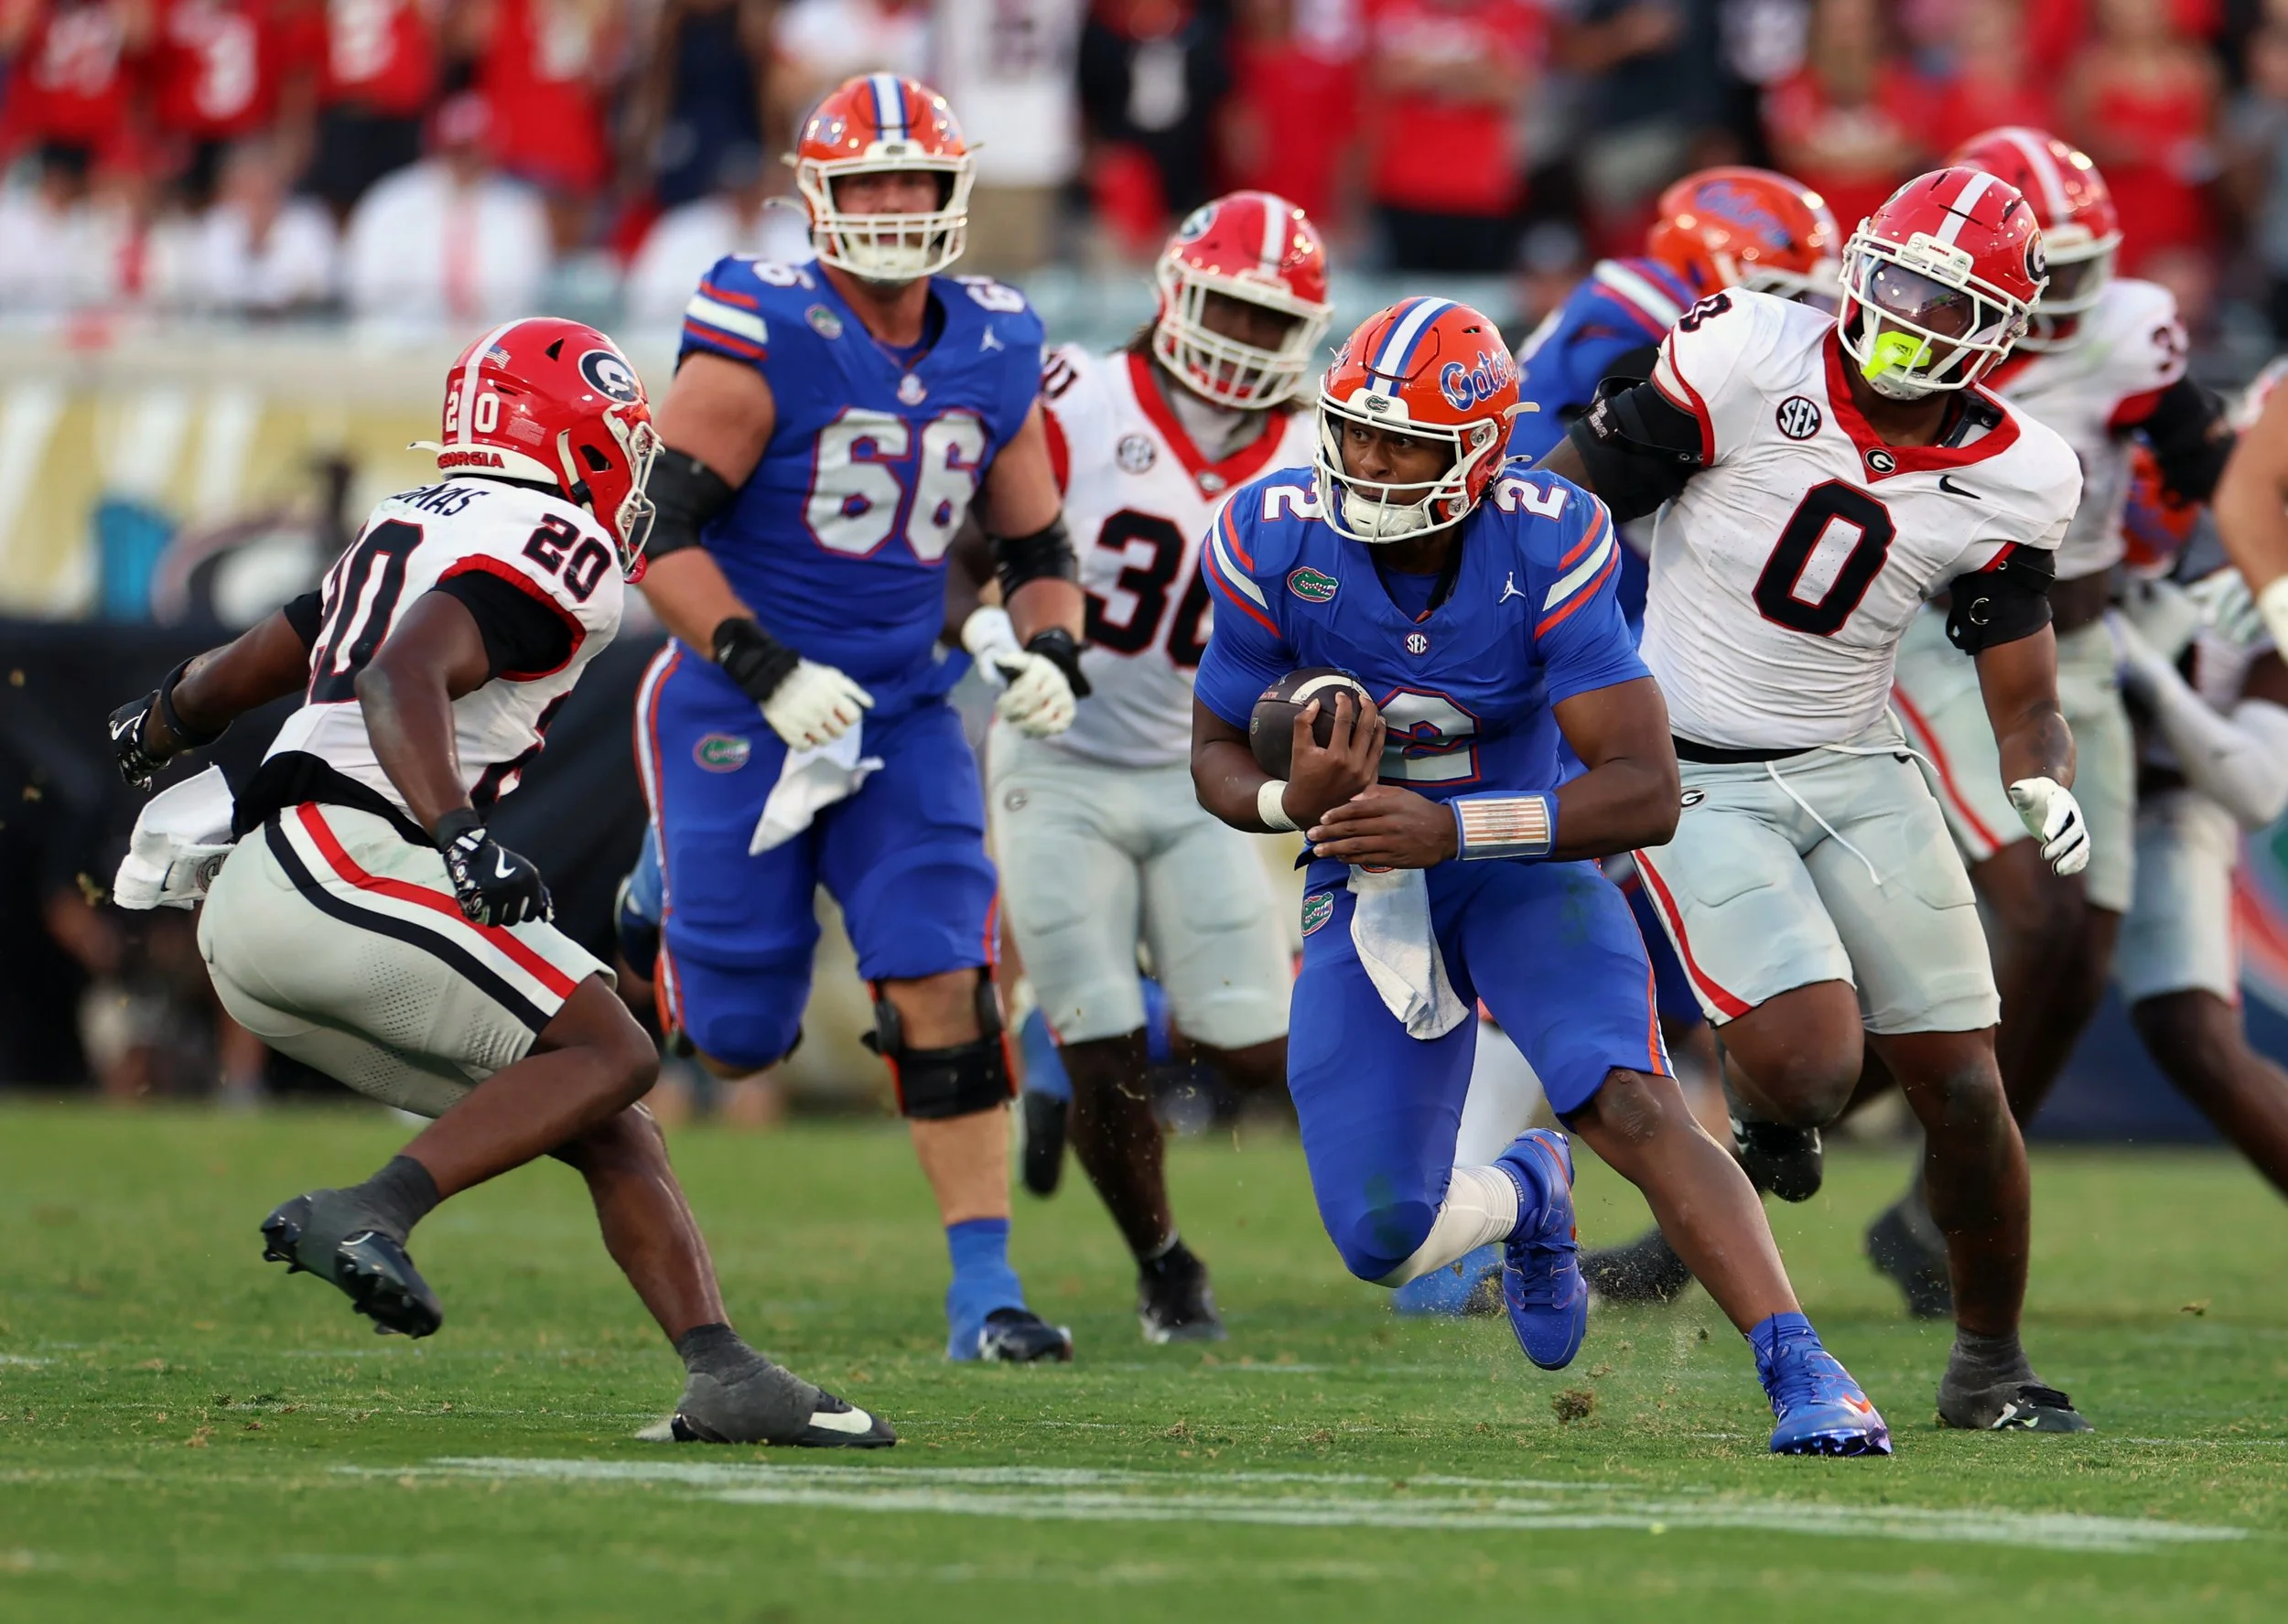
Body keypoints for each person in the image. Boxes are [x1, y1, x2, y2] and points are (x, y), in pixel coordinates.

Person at [102, 317, 891, 1448]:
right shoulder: (559, 542)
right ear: (574, 438)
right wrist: (460, 832)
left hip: (272, 908)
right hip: (342, 862)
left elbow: (261, 658)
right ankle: (372, 1210)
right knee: (616, 1048)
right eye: (621, 437)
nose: (634, 465)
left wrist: (167, 717)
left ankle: (722, 1371)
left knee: (603, 1104)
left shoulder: (413, 516)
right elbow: (401, 674)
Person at [1190, 295, 1892, 1457]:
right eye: (1355, 431)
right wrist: (1289, 803)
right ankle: (1529, 1188)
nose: (1368, 461)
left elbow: (1645, 789)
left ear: (1478, 449)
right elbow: (1215, 751)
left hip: (1520, 864)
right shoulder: (1271, 532)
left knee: (1633, 1101)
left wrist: (1454, 830)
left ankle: (1806, 1370)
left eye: (1402, 441)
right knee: (1380, 1236)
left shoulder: (1547, 535)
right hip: (1365, 878)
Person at [1536, 167, 2093, 1432]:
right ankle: (1770, 1108)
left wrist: (2040, 773)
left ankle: (1990, 1364)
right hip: (1690, 767)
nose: (1902, 313)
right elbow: (1563, 507)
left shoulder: (2021, 472)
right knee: (1811, 1062)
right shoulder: (1747, 349)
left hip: (1855, 763)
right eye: (1893, 278)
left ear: (1997, 334)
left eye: (1943, 302)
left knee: (1964, 1082)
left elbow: (2024, 688)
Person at [633, 74, 1090, 1363]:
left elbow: (1034, 542)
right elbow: (655, 531)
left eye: (914, 181)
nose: (892, 205)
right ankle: (656, 879)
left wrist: (1050, 646)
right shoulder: (765, 325)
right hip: (738, 700)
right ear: (816, 196)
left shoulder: (994, 338)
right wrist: (766, 666)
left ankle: (985, 1291)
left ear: (954, 191)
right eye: (867, 182)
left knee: (945, 977)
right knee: (737, 1042)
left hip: (899, 711)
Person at [1467, 163, 1840, 1313]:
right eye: (1782, 290)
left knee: (1645, 959)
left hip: (1615, 650)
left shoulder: (1647, 316)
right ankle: (1461, 1213)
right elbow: (1574, 491)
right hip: (1571, 652)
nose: (1802, 319)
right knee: (1548, 915)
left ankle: (1682, 1214)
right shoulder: (1635, 317)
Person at [1875, 127, 2234, 1315]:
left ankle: (1943, 1199)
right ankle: (1915, 1165)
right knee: (2042, 910)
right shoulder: (1922, 339)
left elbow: (2209, 462)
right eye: (2053, 270)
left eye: (2083, 267)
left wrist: (2222, 558)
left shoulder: (2128, 332)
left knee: (2082, 950)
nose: (2070, 295)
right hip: (1955, 643)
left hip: (2087, 643)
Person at [1001, 189, 1332, 1342]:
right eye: (1226, 309)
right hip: (1059, 754)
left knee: (1257, 1041)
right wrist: (996, 631)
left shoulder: (1318, 449)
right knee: (1100, 1044)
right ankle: (1163, 1263)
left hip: (1204, 771)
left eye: (1265, 319)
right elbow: (979, 541)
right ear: (1174, 294)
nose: (1241, 337)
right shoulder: (1076, 398)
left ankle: (1065, 1030)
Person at [2109, 550, 2288, 1196]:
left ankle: (1931, 1218)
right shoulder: (2077, 510)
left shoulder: (2266, 583)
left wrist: (2153, 673)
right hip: (2006, 789)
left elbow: (2258, 791)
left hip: (2168, 803)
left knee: (2192, 1029)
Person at [342, 91, 552, 325]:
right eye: (457, 151)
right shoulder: (392, 201)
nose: (466, 161)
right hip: (399, 336)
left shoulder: (517, 209)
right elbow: (364, 288)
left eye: (475, 150)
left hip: (488, 338)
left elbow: (527, 293)